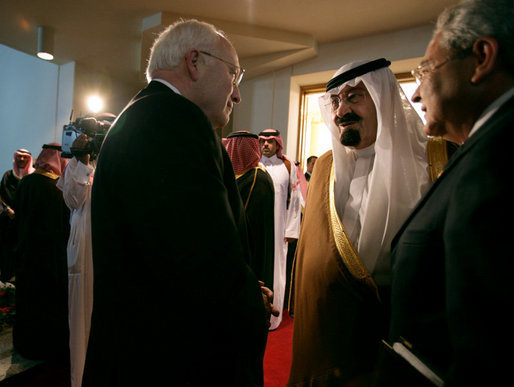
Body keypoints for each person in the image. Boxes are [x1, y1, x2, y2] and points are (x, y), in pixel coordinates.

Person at [83, 19, 272, 386]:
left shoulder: (143, 114)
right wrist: (251, 302)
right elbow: (201, 265)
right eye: (234, 74)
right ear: (195, 61)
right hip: (174, 361)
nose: (237, 95)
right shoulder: (176, 121)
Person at [287, 57, 450, 386]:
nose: (340, 111)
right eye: (335, 101)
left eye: (354, 97)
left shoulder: (437, 160)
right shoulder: (326, 168)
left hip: (407, 343)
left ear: (382, 98)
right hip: (335, 345)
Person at [378, 1, 514, 386]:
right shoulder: (484, 145)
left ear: (482, 58)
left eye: (425, 70)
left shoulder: (499, 156)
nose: (417, 93)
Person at [13, 143, 70, 366]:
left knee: (28, 301)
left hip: (27, 254)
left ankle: (26, 344)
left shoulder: (26, 182)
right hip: (49, 258)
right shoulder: (56, 188)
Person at [56, 133, 97, 387]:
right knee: (82, 327)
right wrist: (81, 159)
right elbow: (72, 199)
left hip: (110, 252)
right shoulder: (77, 165)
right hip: (85, 253)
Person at [259, 128, 302, 330]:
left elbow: (294, 200)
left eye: (270, 141)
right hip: (260, 227)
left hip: (279, 229)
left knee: (278, 269)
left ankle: (273, 318)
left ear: (277, 144)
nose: (266, 145)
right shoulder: (255, 163)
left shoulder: (287, 165)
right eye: (262, 141)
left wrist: (292, 230)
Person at [223, 130, 275, 289]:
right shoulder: (237, 176)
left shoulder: (257, 178)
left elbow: (248, 221)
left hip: (250, 248)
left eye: (232, 149)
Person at [0, 149, 35, 281]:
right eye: (19, 157)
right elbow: (2, 197)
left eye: (24, 157)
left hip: (26, 226)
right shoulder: (8, 176)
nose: (21, 160)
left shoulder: (32, 178)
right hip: (9, 225)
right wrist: (8, 211)